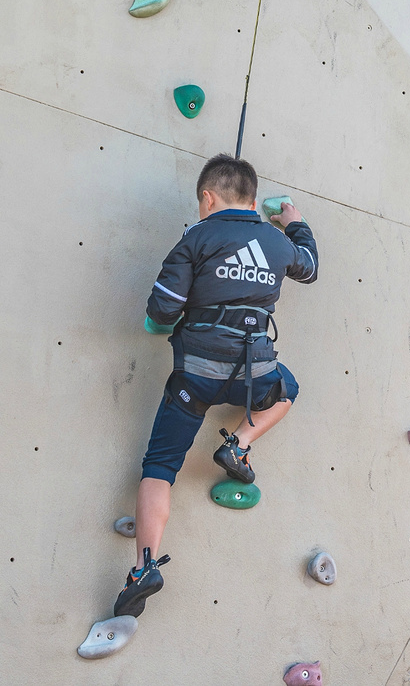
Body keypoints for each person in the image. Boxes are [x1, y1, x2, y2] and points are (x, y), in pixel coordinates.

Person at [113, 154, 319, 618]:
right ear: (251, 198)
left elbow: (163, 310)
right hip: (255, 377)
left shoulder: (196, 238)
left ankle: (144, 568)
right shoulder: (278, 243)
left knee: (159, 466)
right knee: (288, 390)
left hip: (195, 379)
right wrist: (295, 223)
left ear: (207, 198)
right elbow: (310, 266)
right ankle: (239, 444)